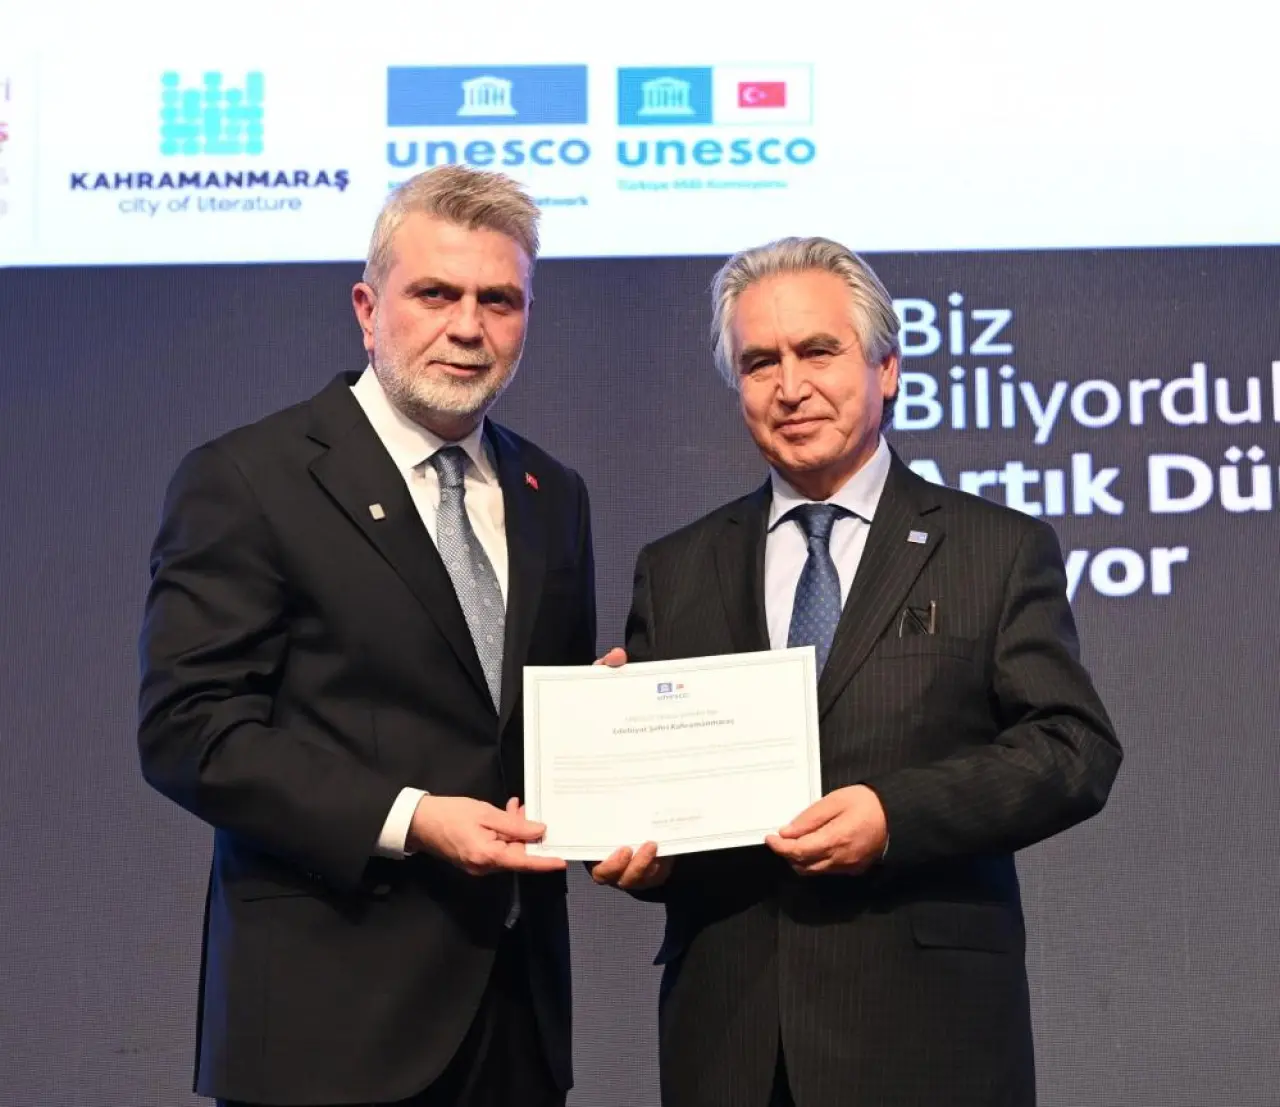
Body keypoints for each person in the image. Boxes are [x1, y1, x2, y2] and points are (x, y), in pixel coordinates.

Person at [591, 237, 1122, 1107]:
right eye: (760, 362)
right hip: (731, 1042)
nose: (790, 385)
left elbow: (1074, 749)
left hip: (927, 1039)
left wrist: (891, 816)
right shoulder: (676, 567)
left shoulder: (994, 548)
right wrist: (627, 825)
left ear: (887, 369)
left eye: (818, 351)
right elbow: (665, 805)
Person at [137, 166, 595, 1107]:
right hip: (326, 1029)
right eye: (435, 293)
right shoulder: (250, 478)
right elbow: (190, 731)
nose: (467, 326)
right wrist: (413, 816)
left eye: (499, 300)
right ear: (367, 308)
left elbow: (514, 725)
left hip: (515, 1025)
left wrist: (604, 728)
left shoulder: (553, 492)